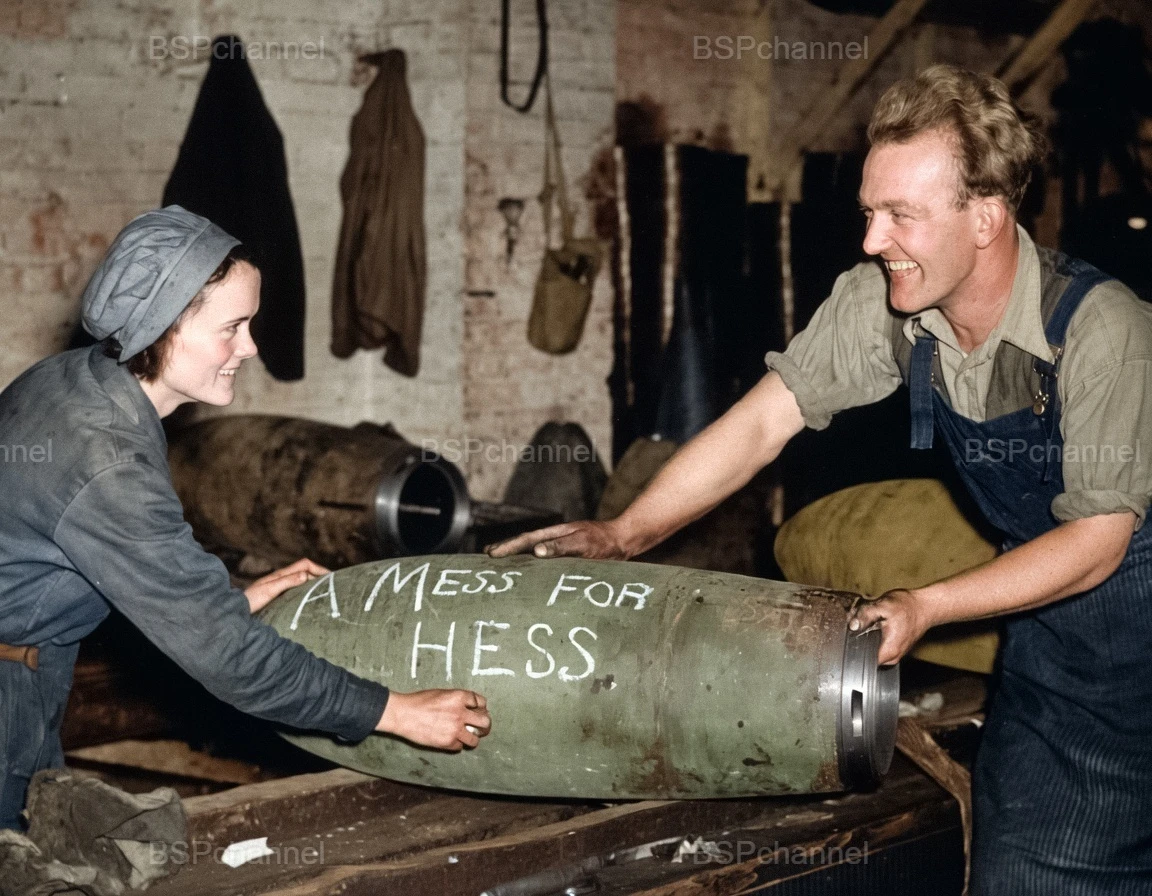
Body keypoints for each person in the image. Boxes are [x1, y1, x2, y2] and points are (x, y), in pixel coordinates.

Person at [490, 65, 1152, 894]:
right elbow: (761, 424)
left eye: (901, 215)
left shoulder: (1102, 333)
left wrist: (924, 605)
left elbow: (1097, 542)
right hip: (1060, 669)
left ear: (986, 217)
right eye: (869, 213)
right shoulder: (887, 305)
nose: (873, 242)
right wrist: (626, 532)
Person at [0, 206, 491, 831]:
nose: (251, 347)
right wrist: (396, 712)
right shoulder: (105, 459)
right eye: (232, 327)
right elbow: (230, 661)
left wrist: (224, 600)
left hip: (29, 661)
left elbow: (104, 558)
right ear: (161, 326)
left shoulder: (73, 381)